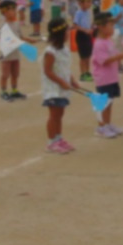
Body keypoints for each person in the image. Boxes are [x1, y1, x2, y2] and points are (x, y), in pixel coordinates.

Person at [41, 18, 80, 154]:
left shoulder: (64, 49)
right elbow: (47, 71)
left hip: (62, 88)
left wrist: (72, 79)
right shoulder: (50, 51)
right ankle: (51, 142)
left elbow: (65, 68)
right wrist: (62, 82)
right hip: (53, 89)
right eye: (66, 32)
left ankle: (58, 138)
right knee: (54, 115)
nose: (68, 34)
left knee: (60, 114)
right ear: (59, 34)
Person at [90, 14, 123, 137]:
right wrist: (122, 55)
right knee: (103, 104)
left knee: (110, 102)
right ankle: (101, 127)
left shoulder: (108, 41)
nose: (113, 28)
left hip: (111, 78)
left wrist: (122, 56)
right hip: (103, 79)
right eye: (111, 25)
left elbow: (115, 54)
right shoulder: (99, 44)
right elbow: (105, 60)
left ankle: (108, 124)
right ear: (101, 27)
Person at [0, 0, 27, 100]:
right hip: (7, 54)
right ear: (4, 12)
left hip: (15, 52)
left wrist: (31, 40)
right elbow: (2, 40)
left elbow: (21, 36)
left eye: (15, 9)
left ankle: (14, 91)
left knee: (15, 73)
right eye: (11, 9)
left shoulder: (16, 23)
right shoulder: (3, 25)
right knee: (5, 74)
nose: (14, 12)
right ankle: (3, 91)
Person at [72, 0, 95, 83]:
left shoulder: (88, 12)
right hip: (81, 35)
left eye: (90, 1)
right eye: (87, 1)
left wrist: (92, 27)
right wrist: (85, 30)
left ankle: (87, 72)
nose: (89, 3)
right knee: (83, 56)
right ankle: (83, 73)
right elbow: (75, 25)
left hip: (88, 35)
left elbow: (88, 23)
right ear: (80, 3)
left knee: (88, 55)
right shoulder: (79, 13)